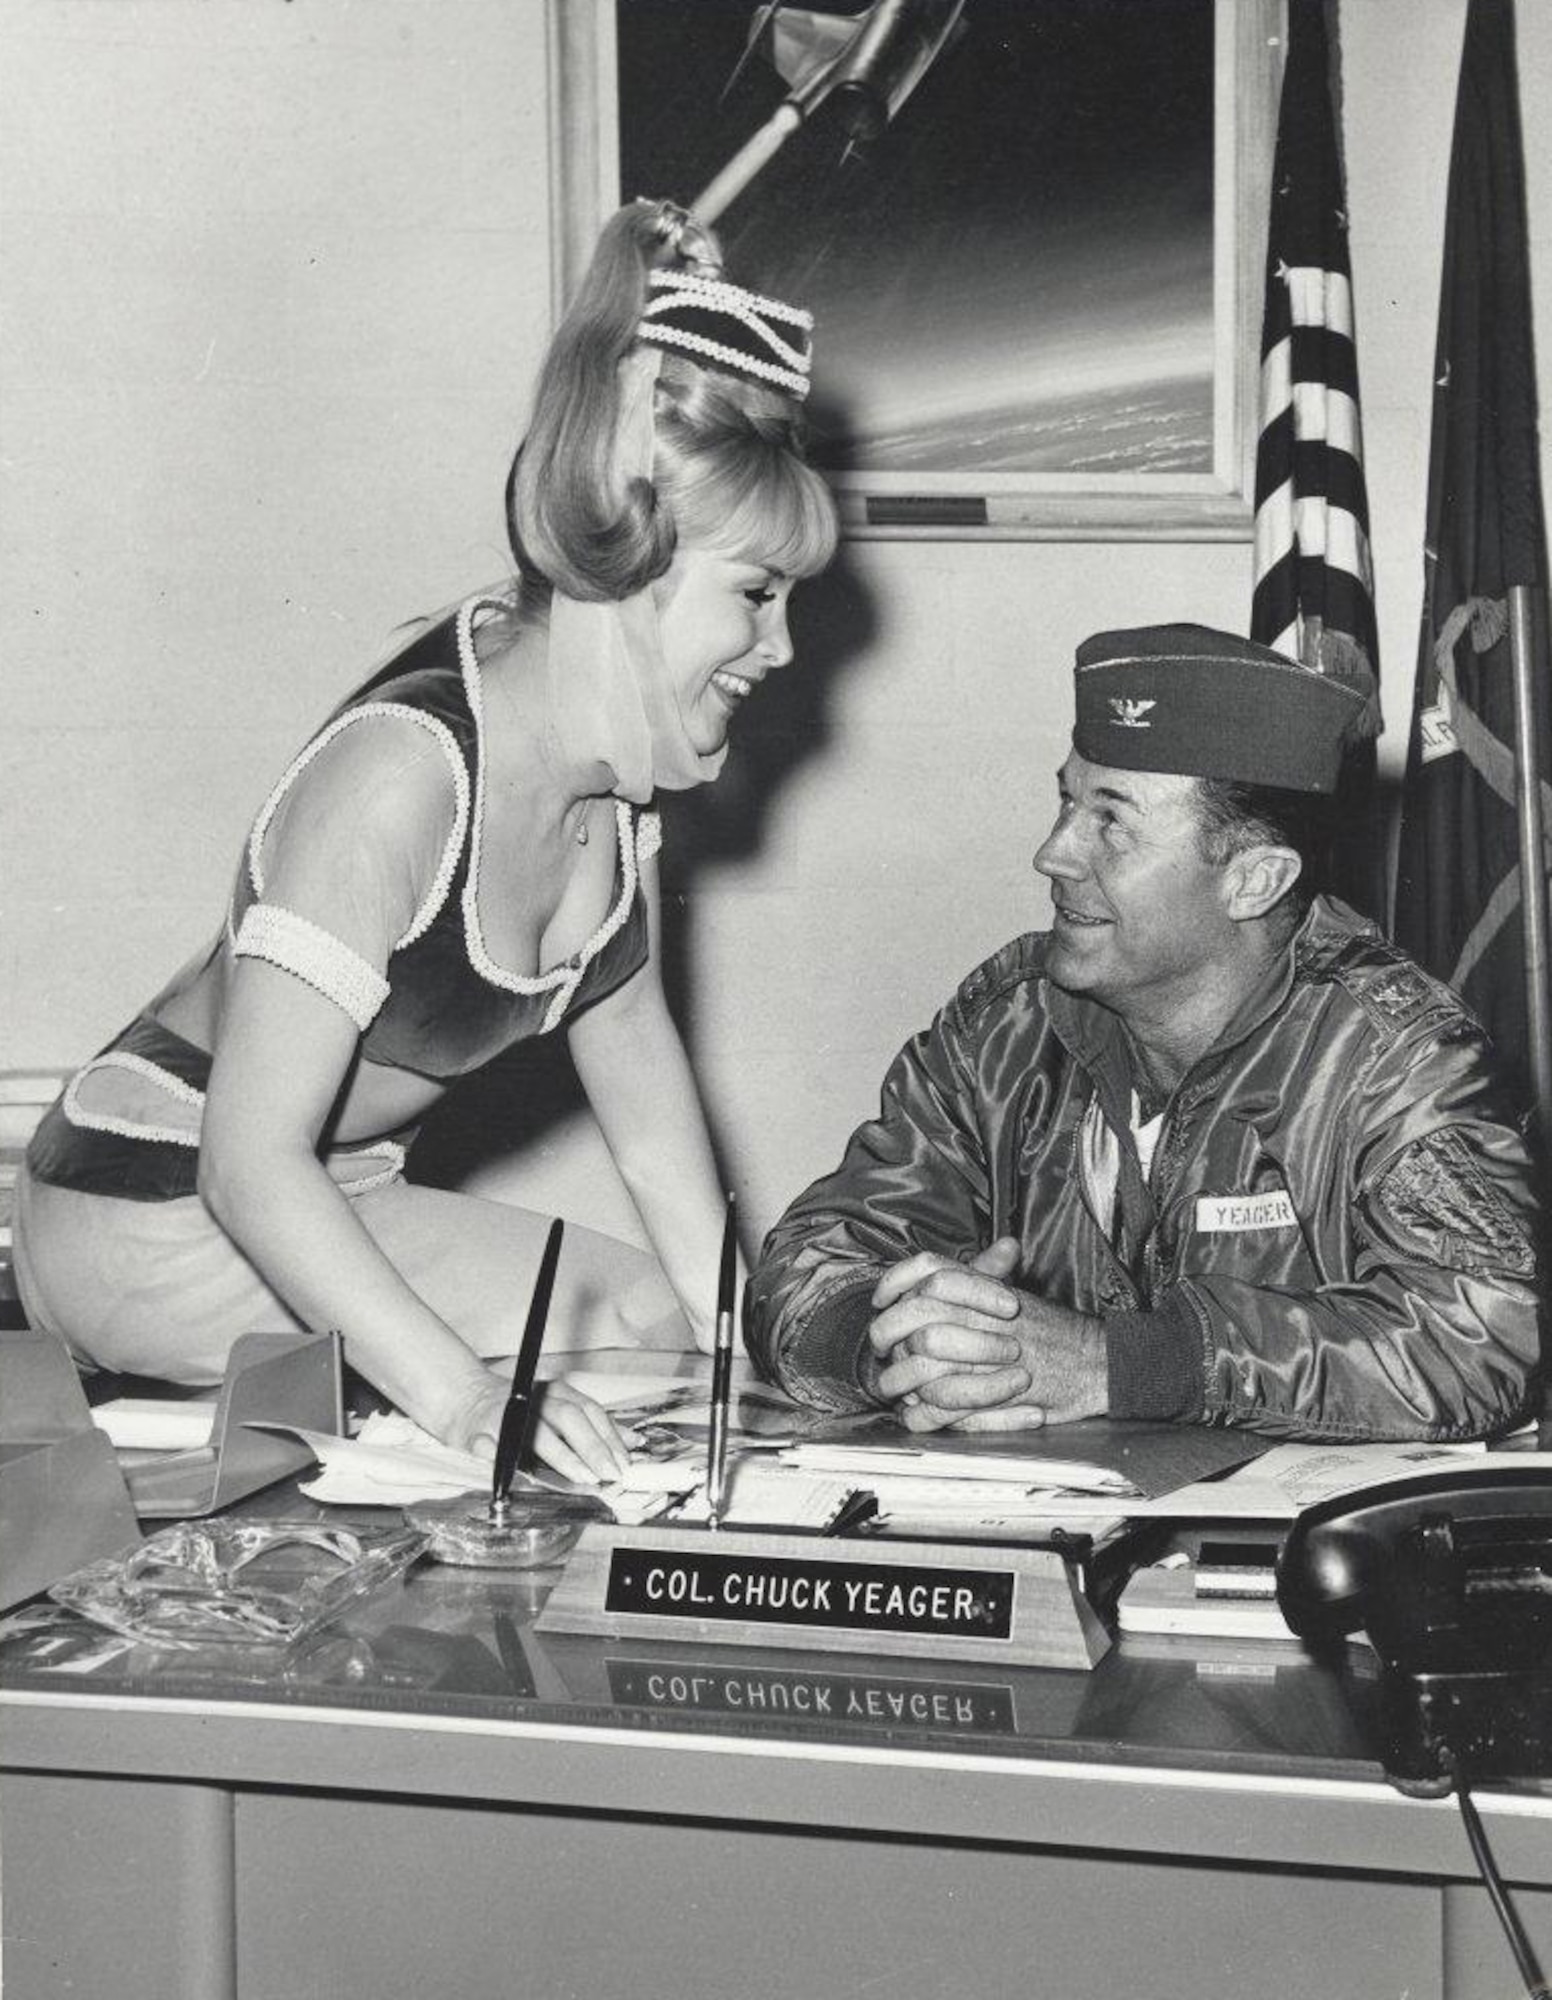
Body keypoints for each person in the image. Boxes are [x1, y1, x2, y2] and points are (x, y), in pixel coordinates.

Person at [17, 198, 838, 1484]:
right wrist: (466, 1403)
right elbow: (247, 1163)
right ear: (622, 579)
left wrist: (752, 1348)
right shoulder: (398, 778)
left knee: (642, 1326)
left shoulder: (619, 807)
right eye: (756, 595)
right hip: (143, 1217)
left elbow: (646, 1107)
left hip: (329, 1192)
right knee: (483, 1417)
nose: (782, 647)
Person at [748, 623, 1544, 1442]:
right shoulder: (1007, 1029)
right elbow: (805, 1261)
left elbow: (1477, 1340)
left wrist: (1123, 1363)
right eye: (1066, 801)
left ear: (1253, 881)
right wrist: (901, 1344)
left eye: (1112, 823)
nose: (1052, 854)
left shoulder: (1395, 1062)